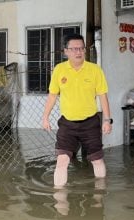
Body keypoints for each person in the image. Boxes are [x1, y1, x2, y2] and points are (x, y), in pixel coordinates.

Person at [42, 34, 113, 187]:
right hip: (67, 124)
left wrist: (107, 120)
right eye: (74, 49)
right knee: (62, 160)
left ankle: (99, 196)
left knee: (97, 159)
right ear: (66, 51)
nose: (78, 52)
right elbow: (52, 96)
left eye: (81, 48)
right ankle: (60, 199)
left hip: (90, 123)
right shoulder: (59, 70)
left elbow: (103, 96)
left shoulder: (95, 70)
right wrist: (45, 117)